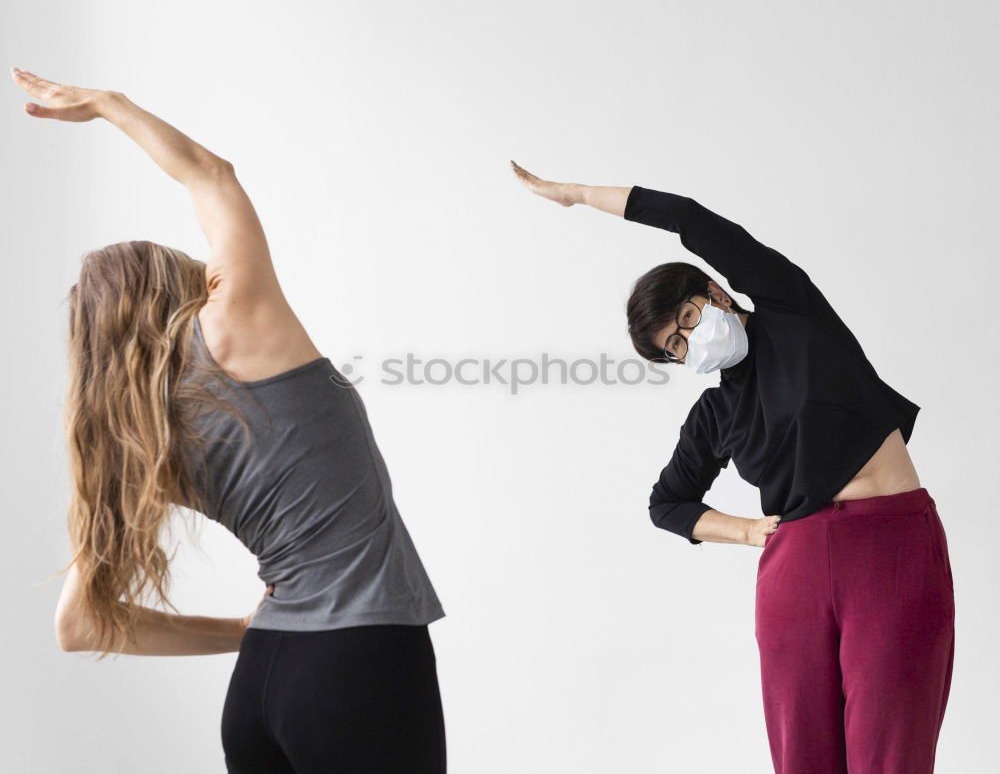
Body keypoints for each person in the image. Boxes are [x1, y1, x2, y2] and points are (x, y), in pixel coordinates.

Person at [16, 67, 447, 773]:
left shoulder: (134, 438)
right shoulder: (233, 323)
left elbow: (79, 623)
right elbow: (210, 176)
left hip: (261, 687)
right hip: (359, 659)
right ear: (169, 283)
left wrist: (245, 633)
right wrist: (110, 105)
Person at [512, 161, 955, 774]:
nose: (690, 343)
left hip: (890, 544)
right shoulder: (716, 411)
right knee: (804, 757)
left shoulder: (790, 311)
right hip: (794, 568)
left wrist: (580, 195)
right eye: (675, 347)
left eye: (688, 321)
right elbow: (666, 503)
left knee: (893, 754)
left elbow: (691, 219)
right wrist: (747, 530)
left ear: (714, 294)